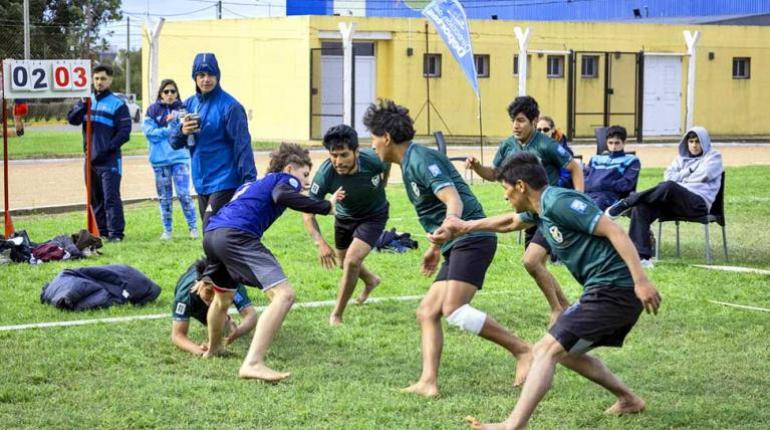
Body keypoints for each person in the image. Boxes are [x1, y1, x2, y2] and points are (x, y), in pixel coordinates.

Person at [428, 152, 661, 430]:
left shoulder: (560, 202)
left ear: (521, 186)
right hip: (603, 291)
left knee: (546, 350)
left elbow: (615, 231)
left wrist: (641, 281)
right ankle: (628, 399)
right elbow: (510, 222)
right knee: (566, 353)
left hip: (615, 290)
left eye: (506, 189)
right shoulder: (541, 208)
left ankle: (513, 425)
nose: (505, 197)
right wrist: (465, 227)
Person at [363, 99, 532, 397]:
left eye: (373, 137)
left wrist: (452, 221)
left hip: (473, 239)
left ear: (386, 137)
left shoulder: (420, 159)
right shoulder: (410, 162)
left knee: (453, 309)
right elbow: (438, 211)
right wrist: (437, 245)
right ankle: (428, 382)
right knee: (427, 311)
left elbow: (453, 198)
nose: (372, 144)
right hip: (457, 242)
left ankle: (523, 351)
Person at [201, 142, 343, 382]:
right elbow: (282, 195)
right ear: (289, 168)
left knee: (222, 297)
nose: (305, 183)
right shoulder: (285, 180)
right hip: (237, 236)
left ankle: (215, 348)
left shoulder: (252, 185)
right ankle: (253, 363)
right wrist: (325, 206)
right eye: (305, 175)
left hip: (213, 236)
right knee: (284, 295)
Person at [466, 96, 582, 324]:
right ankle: (565, 307)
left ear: (534, 120)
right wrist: (478, 167)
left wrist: (579, 198)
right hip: (530, 212)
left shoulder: (546, 145)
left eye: (520, 120)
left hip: (549, 212)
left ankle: (558, 310)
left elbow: (574, 167)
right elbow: (494, 174)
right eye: (513, 120)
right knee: (534, 263)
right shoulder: (508, 145)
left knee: (532, 261)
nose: (515, 126)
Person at [303, 124, 388, 326]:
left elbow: (386, 165)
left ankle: (337, 314)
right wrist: (320, 243)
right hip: (344, 218)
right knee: (344, 264)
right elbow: (308, 212)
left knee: (351, 262)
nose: (338, 161)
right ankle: (370, 280)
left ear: (356, 152)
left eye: (343, 155)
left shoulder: (373, 160)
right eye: (334, 155)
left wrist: (379, 185)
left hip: (373, 216)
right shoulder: (326, 174)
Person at [606, 126, 723, 268]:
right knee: (641, 207)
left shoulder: (713, 157)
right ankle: (641, 257)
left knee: (669, 186)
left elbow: (705, 174)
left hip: (698, 204)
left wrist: (683, 176)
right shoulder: (680, 158)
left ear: (704, 142)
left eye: (697, 142)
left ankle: (627, 202)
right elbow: (668, 175)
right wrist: (688, 175)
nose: (694, 145)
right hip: (673, 203)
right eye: (691, 141)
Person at [170, 52, 257, 228]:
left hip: (225, 180)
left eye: (210, 74)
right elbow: (173, 141)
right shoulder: (187, 105)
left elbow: (243, 146)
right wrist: (182, 131)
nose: (206, 79)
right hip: (201, 182)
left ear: (218, 76)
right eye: (201, 75)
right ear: (194, 77)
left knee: (211, 231)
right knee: (214, 237)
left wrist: (250, 185)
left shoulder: (230, 107)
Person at [67, 64, 132, 242]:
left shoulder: (118, 104)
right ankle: (101, 231)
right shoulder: (87, 101)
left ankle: (115, 234)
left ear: (110, 80)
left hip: (110, 161)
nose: (99, 82)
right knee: (94, 198)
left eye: (103, 79)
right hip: (90, 160)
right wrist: (82, 103)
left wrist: (108, 149)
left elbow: (124, 132)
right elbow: (72, 120)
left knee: (111, 198)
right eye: (96, 79)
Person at [142, 79, 199, 240]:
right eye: (166, 91)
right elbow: (149, 132)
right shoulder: (152, 110)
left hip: (180, 158)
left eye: (173, 91)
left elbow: (188, 130)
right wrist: (170, 130)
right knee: (164, 197)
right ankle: (167, 231)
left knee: (184, 194)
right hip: (159, 161)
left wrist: (173, 129)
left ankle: (193, 228)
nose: (169, 94)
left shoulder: (183, 109)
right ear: (161, 93)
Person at [171, 258, 257, 356]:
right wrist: (197, 349)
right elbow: (177, 335)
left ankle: (226, 320)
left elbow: (251, 315)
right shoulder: (184, 297)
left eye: (217, 293)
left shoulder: (232, 287)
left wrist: (238, 332)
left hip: (221, 294)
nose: (213, 299)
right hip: (197, 302)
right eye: (208, 291)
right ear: (199, 285)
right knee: (221, 325)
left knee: (226, 329)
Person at [584, 125, 641, 210]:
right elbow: (583, 178)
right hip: (588, 195)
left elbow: (626, 185)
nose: (613, 147)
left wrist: (600, 183)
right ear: (606, 142)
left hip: (611, 198)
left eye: (617, 143)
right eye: (610, 143)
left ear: (624, 142)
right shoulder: (595, 159)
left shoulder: (632, 161)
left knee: (591, 209)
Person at [536, 115, 576, 189]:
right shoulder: (534, 147)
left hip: (557, 190)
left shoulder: (563, 150)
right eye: (539, 130)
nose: (542, 132)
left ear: (553, 130)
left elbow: (566, 176)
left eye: (546, 130)